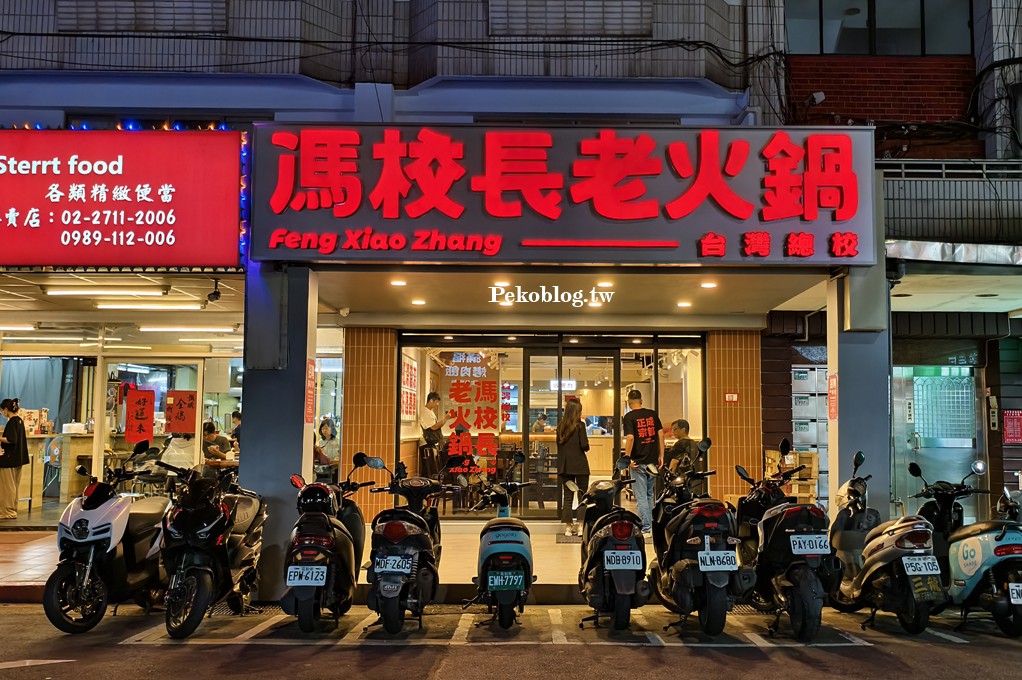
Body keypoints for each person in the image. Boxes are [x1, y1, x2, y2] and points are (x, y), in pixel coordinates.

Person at [622, 389, 664, 535]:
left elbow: (631, 438)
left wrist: (627, 458)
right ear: (641, 401)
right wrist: (661, 455)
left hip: (638, 462)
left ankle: (646, 528)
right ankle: (652, 526)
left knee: (640, 496)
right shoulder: (652, 414)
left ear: (629, 402)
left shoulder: (629, 417)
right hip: (652, 461)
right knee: (650, 495)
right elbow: (660, 434)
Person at [557, 398, 589, 536]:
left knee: (568, 497)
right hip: (580, 466)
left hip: (565, 467)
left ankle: (568, 528)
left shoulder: (560, 426)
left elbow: (559, 446)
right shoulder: (580, 426)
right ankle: (581, 526)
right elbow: (584, 446)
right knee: (582, 496)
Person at [0, 398, 30, 520]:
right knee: (14, 486)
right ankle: (13, 509)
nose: (2, 413)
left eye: (2, 411)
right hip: (18, 459)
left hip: (8, 459)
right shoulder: (19, 421)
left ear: (6, 410)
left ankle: (7, 512)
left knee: (7, 487)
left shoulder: (12, 422)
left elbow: (10, 439)